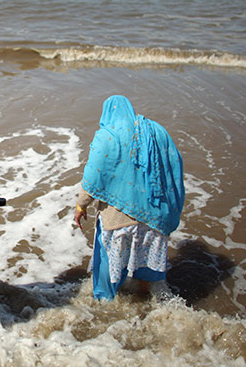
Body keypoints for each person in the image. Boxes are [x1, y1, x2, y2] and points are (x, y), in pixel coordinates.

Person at [74, 95, 185, 300]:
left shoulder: (107, 136)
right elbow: (173, 164)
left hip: (118, 221)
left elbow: (93, 177)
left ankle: (104, 302)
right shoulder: (155, 131)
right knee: (146, 261)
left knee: (108, 267)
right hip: (153, 215)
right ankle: (145, 297)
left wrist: (81, 206)